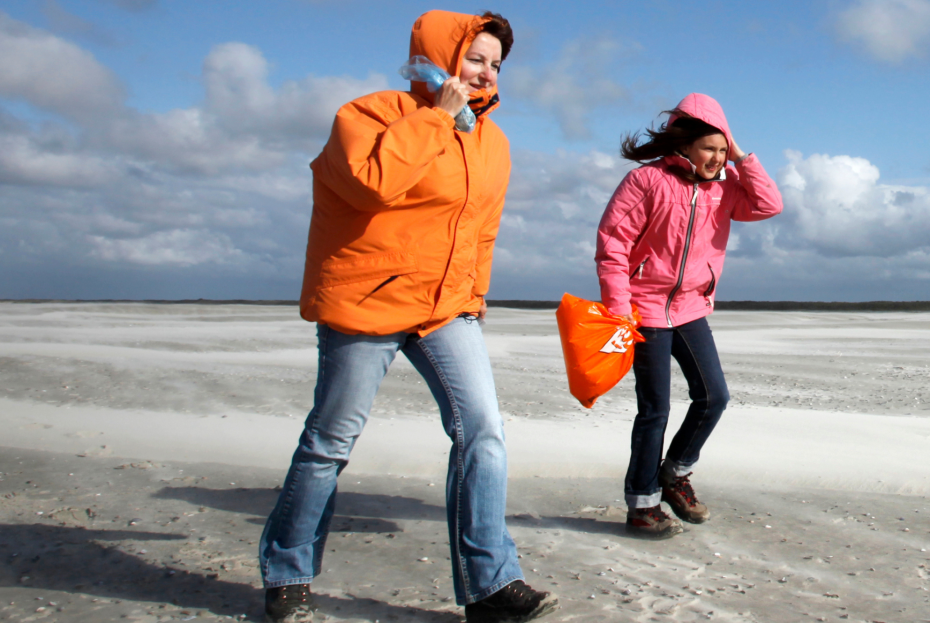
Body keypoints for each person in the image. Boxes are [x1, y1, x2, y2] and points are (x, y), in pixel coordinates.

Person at [257, 10, 555, 623]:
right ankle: (288, 572)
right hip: (367, 299)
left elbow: (482, 229)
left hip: (446, 308)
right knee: (330, 442)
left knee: (484, 433)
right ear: (441, 55)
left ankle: (491, 585)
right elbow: (374, 183)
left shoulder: (491, 140)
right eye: (475, 58)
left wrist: (474, 296)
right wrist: (437, 117)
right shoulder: (367, 115)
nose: (485, 73)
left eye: (496, 65)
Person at [596, 93, 783, 537]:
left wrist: (741, 156)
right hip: (644, 310)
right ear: (685, 145)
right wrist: (621, 312)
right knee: (655, 410)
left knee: (714, 396)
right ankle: (642, 505)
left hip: (690, 309)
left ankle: (675, 473)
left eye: (723, 150)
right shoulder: (646, 181)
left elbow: (769, 204)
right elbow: (612, 246)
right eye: (709, 149)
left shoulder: (725, 187)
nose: (717, 158)